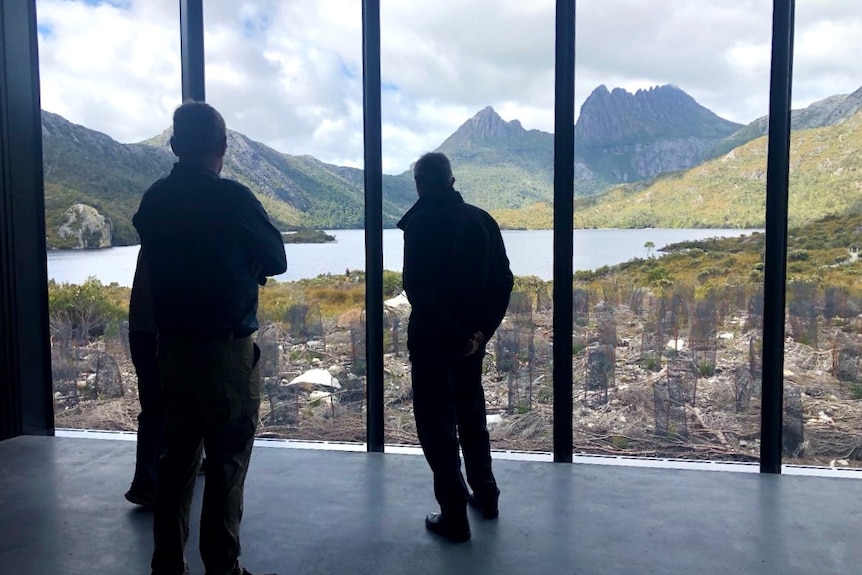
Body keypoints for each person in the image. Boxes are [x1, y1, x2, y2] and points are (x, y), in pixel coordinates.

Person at [134, 101, 287, 575]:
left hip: (173, 346)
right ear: (222, 146)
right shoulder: (233, 199)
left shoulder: (155, 199)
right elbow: (276, 257)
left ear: (175, 145)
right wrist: (245, 263)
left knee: (177, 454)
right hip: (226, 350)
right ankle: (222, 565)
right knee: (227, 458)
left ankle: (167, 562)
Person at [397, 152, 513, 543]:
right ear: (452, 179)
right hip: (472, 345)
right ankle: (487, 495)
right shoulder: (482, 220)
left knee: (437, 428)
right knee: (471, 415)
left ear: (419, 183)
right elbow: (504, 282)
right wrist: (480, 332)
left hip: (434, 341)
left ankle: (454, 516)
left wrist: (458, 332)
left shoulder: (420, 223)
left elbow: (419, 291)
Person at [124, 252, 162, 508]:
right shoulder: (169, 235)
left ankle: (148, 478)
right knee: (158, 408)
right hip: (157, 332)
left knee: (155, 405)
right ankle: (145, 481)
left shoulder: (155, 234)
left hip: (143, 331)